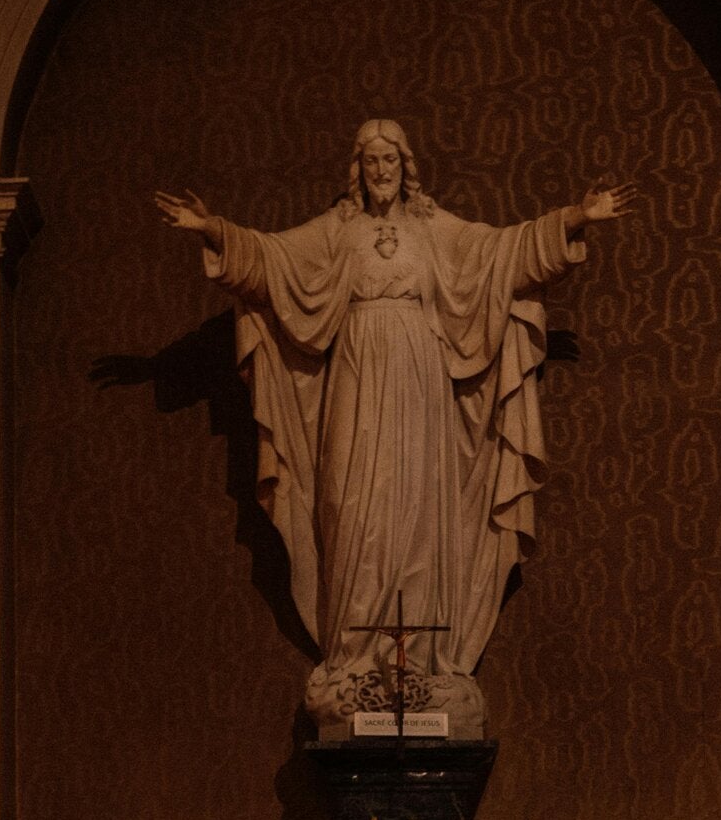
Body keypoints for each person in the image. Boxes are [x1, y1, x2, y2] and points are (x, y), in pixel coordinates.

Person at [156, 118, 634, 736]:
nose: (381, 171)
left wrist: (575, 217)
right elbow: (273, 259)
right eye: (371, 161)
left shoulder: (433, 228)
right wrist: (213, 229)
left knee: (417, 508)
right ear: (357, 169)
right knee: (350, 502)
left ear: (405, 166)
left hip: (419, 379)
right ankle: (354, 662)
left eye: (390, 160)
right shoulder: (338, 230)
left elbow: (503, 251)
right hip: (355, 377)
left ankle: (420, 664)